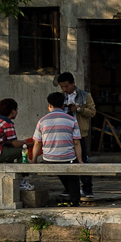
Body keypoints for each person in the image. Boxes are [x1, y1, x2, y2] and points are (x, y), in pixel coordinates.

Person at [33, 92, 83, 206]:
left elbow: (37, 143)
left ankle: (69, 194)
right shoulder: (72, 120)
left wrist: (34, 160)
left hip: (49, 158)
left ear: (49, 105)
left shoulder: (42, 121)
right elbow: (76, 142)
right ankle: (75, 202)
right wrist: (80, 160)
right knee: (73, 177)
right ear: (62, 105)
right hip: (68, 159)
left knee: (64, 171)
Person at [55, 73, 96, 202]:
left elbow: (92, 112)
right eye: (62, 87)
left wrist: (78, 109)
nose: (64, 89)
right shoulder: (61, 96)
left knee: (82, 160)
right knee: (65, 161)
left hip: (80, 132)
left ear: (73, 83)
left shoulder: (85, 95)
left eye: (66, 86)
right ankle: (69, 188)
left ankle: (87, 188)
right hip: (65, 133)